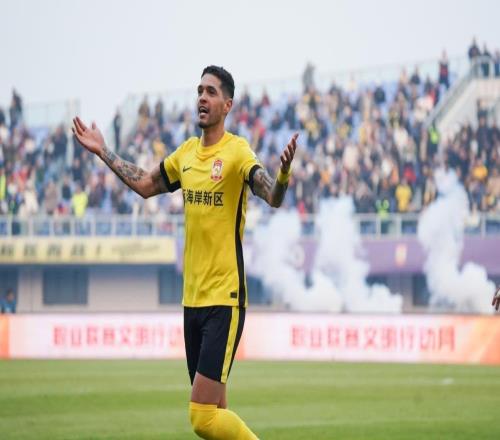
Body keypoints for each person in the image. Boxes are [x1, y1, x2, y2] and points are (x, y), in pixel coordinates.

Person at [72, 65, 298, 440]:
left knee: (202, 418)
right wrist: (103, 151)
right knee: (216, 412)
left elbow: (271, 195)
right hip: (192, 301)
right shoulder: (187, 154)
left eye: (211, 92)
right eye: (199, 91)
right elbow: (146, 184)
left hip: (224, 298)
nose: (202, 98)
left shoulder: (237, 152)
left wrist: (284, 175)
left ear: (227, 105)